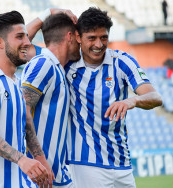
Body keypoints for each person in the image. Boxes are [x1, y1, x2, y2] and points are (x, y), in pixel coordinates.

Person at [64, 8, 163, 188]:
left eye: (104, 37)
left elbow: (155, 97)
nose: (99, 44)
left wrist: (132, 100)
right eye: (92, 38)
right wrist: (48, 13)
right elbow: (25, 51)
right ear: (78, 37)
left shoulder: (122, 61)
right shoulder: (66, 64)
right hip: (85, 164)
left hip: (122, 162)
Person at [0, 11, 51, 188]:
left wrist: (39, 157)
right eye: (20, 37)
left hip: (21, 182)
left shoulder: (17, 84)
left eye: (27, 37)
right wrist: (22, 160)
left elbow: (26, 124)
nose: (27, 42)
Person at [21, 13, 80, 187]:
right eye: (78, 37)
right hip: (39, 176)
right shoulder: (44, 64)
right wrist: (40, 159)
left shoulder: (56, 67)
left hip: (56, 175)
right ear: (69, 36)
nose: (80, 42)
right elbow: (22, 111)